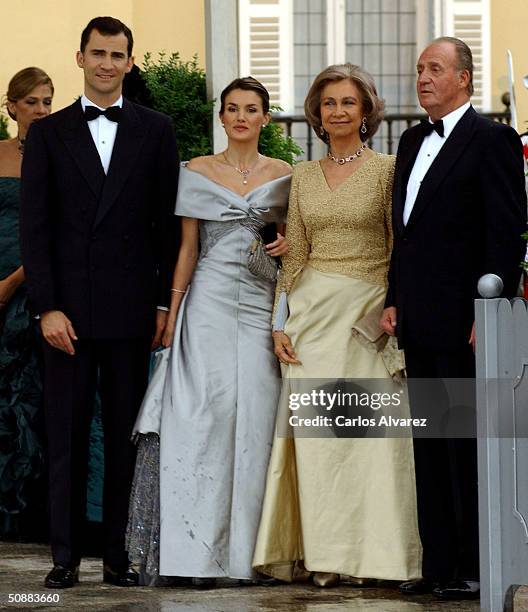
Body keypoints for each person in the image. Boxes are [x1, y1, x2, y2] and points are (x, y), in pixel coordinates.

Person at [19, 16, 180, 589]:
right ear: (80, 58)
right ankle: (63, 558)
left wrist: (164, 307)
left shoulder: (156, 130)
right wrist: (47, 308)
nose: (108, 63)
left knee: (122, 436)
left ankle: (118, 556)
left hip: (132, 311)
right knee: (64, 436)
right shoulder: (48, 133)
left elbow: (166, 226)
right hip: (67, 314)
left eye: (118, 55)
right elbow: (36, 231)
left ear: (130, 62)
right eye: (98, 53)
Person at [252, 64, 422, 588]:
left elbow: (401, 248)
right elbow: (295, 252)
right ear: (317, 113)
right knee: (320, 441)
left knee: (374, 443)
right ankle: (325, 555)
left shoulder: (389, 170)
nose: (339, 112)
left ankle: (380, 558)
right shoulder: (301, 175)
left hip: (368, 315)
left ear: (367, 110)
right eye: (330, 103)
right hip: (311, 319)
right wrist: (281, 319)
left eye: (349, 102)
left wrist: (393, 307)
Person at [126, 77, 291, 587]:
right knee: (200, 424)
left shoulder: (286, 176)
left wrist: (284, 251)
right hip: (207, 309)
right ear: (220, 117)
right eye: (232, 109)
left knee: (258, 423)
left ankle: (251, 556)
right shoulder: (195, 172)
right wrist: (172, 316)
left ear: (265, 118)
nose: (241, 117)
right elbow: (187, 251)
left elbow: (296, 246)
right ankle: (194, 557)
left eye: (252, 109)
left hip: (262, 306)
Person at [380, 37, 527, 600]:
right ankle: (438, 565)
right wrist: (395, 295)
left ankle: (473, 567)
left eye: (435, 69)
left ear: (463, 79)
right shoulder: (413, 138)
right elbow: (407, 234)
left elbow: (507, 229)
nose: (423, 78)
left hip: (466, 322)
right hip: (417, 317)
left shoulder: (492, 140)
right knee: (430, 443)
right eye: (419, 69)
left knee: (466, 445)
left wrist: (487, 313)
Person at [0, 67, 53, 540]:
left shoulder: (57, 157)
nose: (39, 111)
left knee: (31, 397)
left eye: (47, 102)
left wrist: (17, 279)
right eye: (32, 102)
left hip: (32, 287)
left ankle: (28, 515)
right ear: (11, 106)